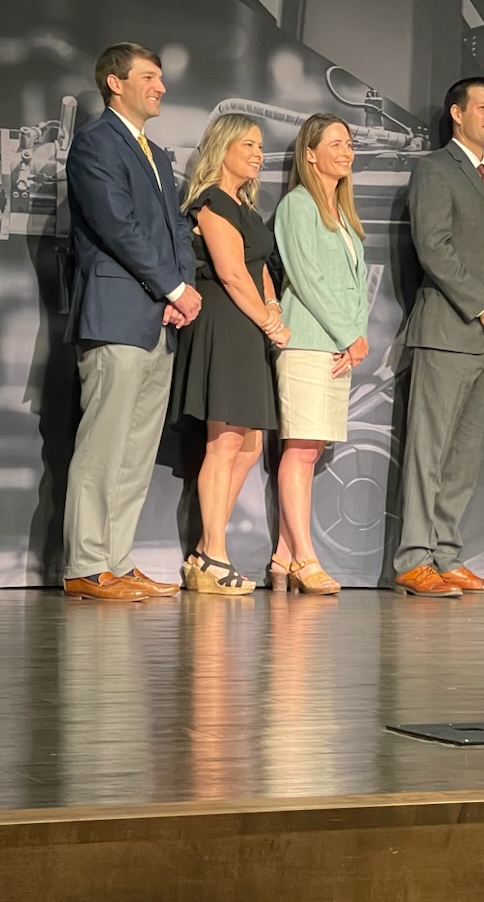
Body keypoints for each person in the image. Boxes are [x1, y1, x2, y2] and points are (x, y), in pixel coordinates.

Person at [62, 42, 202, 601]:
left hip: (159, 318)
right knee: (104, 446)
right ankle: (86, 565)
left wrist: (181, 289)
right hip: (116, 314)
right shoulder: (96, 143)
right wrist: (173, 287)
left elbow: (176, 228)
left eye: (161, 78)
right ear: (115, 83)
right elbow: (117, 226)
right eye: (148, 77)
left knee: (137, 450)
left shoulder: (157, 154)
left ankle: (115, 562)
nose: (160, 87)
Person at [394, 77, 484, 598]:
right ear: (457, 113)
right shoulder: (434, 169)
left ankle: (445, 556)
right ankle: (414, 559)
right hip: (448, 332)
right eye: (483, 106)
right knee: (429, 451)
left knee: (464, 457)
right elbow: (434, 247)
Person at [170, 114, 289, 595]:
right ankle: (215, 555)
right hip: (225, 323)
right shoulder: (212, 202)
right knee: (223, 443)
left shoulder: (245, 206)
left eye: (260, 146)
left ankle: (205, 551)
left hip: (250, 327)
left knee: (250, 446)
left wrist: (273, 308)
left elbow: (258, 270)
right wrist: (267, 320)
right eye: (249, 145)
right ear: (223, 148)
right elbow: (232, 273)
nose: (259, 154)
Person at [269, 114, 369, 595]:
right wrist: (350, 334)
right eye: (336, 144)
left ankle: (283, 556)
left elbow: (354, 285)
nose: (346, 151)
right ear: (310, 155)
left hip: (335, 346)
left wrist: (356, 335)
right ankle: (306, 558)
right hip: (309, 342)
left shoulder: (343, 214)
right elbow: (307, 278)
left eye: (349, 143)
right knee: (301, 449)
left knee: (310, 451)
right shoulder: (298, 205)